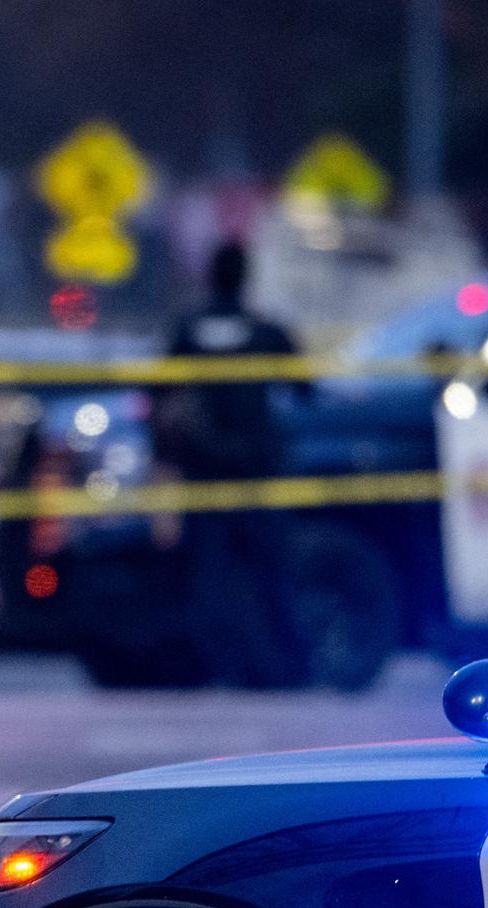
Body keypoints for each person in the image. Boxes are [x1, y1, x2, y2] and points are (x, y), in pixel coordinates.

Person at [153, 241, 301, 685]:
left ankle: (219, 669)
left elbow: (159, 396)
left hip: (206, 473)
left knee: (210, 578)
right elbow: (307, 388)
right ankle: (284, 669)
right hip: (256, 470)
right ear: (245, 277)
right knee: (271, 572)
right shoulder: (267, 331)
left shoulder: (186, 329)